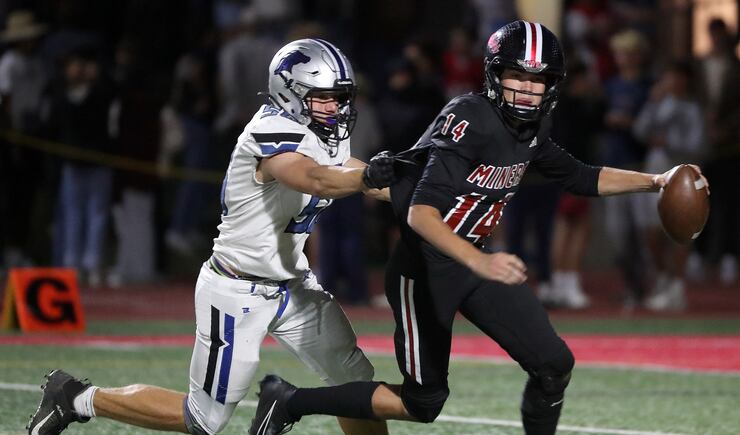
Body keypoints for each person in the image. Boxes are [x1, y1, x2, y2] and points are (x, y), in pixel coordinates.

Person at [247, 21, 709, 435]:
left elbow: (580, 176)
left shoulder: (532, 125)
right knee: (423, 402)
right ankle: (289, 401)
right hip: (424, 269)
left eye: (538, 80)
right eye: (517, 77)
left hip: (472, 261)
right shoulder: (470, 119)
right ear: (494, 75)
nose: (527, 90)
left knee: (553, 365)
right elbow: (421, 213)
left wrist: (657, 181)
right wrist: (480, 261)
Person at [27, 39, 394, 435]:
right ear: (290, 92)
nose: (335, 107)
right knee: (203, 418)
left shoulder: (321, 131)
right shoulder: (271, 130)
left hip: (294, 285)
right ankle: (76, 397)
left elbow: (349, 170)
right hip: (239, 288)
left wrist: (414, 186)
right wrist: (369, 177)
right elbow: (314, 177)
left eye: (340, 97)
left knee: (354, 385)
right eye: (323, 97)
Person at [633, 60, 705, 310]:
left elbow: (698, 145)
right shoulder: (658, 103)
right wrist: (652, 103)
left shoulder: (692, 108)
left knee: (680, 231)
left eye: (676, 76)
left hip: (681, 175)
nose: (671, 81)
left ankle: (677, 286)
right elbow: (639, 130)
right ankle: (663, 277)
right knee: (650, 231)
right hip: (654, 173)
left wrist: (669, 143)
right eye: (668, 76)